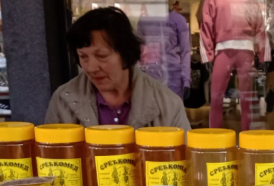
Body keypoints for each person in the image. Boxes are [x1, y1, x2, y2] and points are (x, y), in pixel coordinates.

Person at [46, 7, 191, 130]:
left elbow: (184, 155)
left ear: (126, 54)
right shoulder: (63, 100)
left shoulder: (168, 104)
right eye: (83, 57)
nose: (91, 68)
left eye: (101, 56)